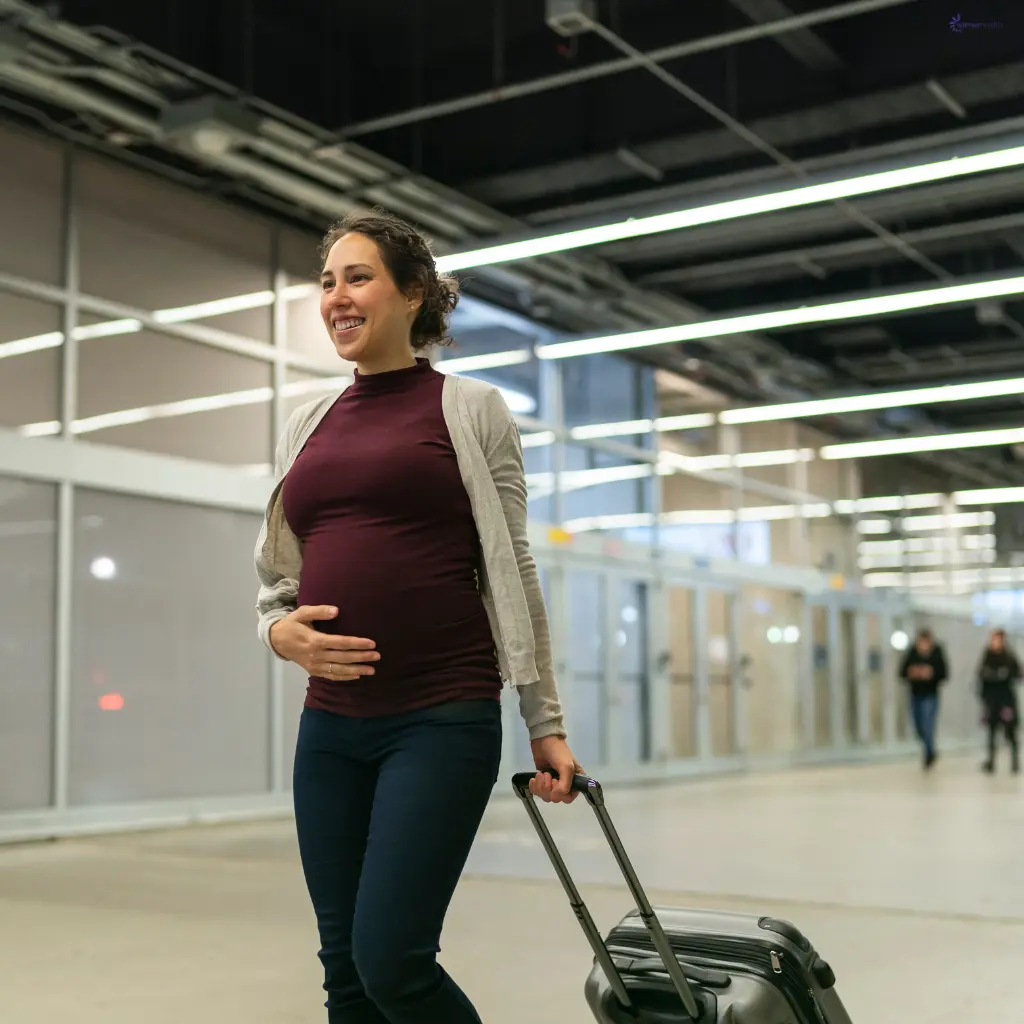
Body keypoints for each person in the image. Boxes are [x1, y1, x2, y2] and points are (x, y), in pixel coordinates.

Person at [253, 209, 581, 1023]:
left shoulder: (470, 408)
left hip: (440, 717)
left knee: (392, 960)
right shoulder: (308, 422)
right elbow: (275, 571)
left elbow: (513, 566)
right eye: (327, 282)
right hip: (330, 729)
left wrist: (545, 721)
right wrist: (275, 630)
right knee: (345, 974)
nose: (337, 297)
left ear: (413, 295)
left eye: (357, 277)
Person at [898, 627, 948, 769]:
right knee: (918, 725)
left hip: (930, 695)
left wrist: (931, 673)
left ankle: (928, 754)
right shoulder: (912, 653)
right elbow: (901, 672)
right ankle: (930, 749)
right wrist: (912, 673)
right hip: (915, 694)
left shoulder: (937, 653)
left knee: (927, 724)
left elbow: (944, 673)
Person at [976, 628, 1020, 775]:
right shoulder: (987, 656)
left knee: (1010, 731)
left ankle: (1015, 761)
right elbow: (980, 675)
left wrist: (1006, 674)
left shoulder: (1009, 657)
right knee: (991, 731)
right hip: (991, 700)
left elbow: (1019, 673)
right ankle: (991, 761)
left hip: (1006, 700)